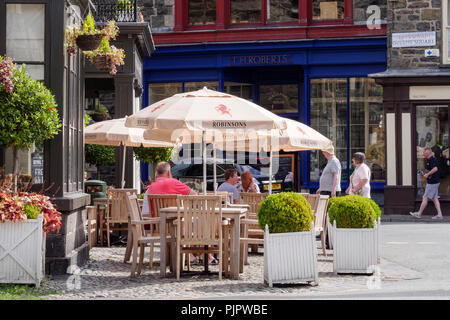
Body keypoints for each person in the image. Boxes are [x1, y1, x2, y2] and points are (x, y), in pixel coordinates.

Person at [410, 147, 443, 219]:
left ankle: (419, 213)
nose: (423, 154)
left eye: (424, 153)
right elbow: (431, 170)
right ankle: (439, 214)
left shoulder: (432, 159)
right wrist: (424, 173)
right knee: (435, 199)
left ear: (428, 153)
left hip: (432, 183)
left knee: (425, 198)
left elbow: (435, 169)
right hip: (434, 182)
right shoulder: (430, 160)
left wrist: (427, 175)